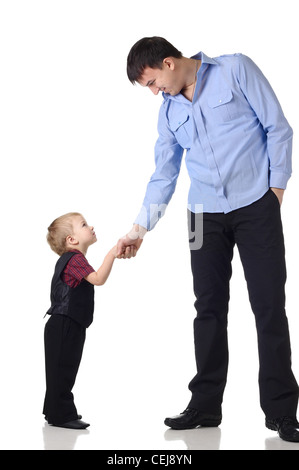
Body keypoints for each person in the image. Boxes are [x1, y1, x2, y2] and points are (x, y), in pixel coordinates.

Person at [117, 37, 299, 442]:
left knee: (269, 305)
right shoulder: (168, 113)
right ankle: (204, 406)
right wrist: (139, 229)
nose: (154, 93)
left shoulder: (235, 70)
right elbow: (164, 174)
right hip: (202, 216)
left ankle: (282, 412)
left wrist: (277, 191)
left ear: (168, 62)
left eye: (151, 83)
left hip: (256, 204)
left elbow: (277, 127)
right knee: (208, 308)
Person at [43, 212, 131, 429]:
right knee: (64, 369)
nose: (90, 227)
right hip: (65, 322)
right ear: (71, 240)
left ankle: (54, 411)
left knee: (60, 369)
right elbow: (98, 279)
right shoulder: (75, 259)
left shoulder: (72, 260)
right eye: (83, 225)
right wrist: (111, 253)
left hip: (63, 322)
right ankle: (61, 415)